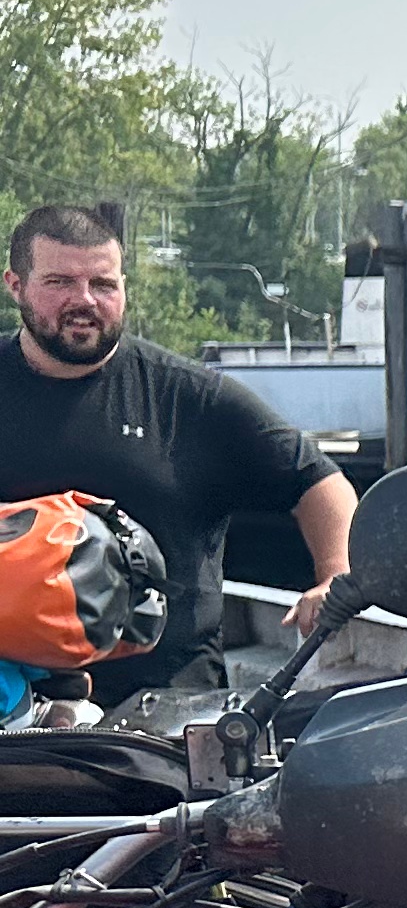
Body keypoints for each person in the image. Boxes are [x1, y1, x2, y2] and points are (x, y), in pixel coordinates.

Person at [0, 203, 354, 706]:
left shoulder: (189, 397)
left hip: (167, 715)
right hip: (12, 716)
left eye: (103, 284)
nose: (84, 301)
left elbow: (319, 482)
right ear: (15, 284)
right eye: (59, 282)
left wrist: (334, 577)